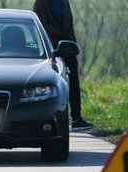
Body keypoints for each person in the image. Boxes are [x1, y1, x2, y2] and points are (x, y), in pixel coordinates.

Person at [33, 0, 93, 131]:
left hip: (66, 45)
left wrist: (73, 44)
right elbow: (41, 26)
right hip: (50, 47)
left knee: (74, 82)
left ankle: (77, 117)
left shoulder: (64, 2)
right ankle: (52, 117)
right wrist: (60, 34)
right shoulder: (41, 3)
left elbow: (69, 23)